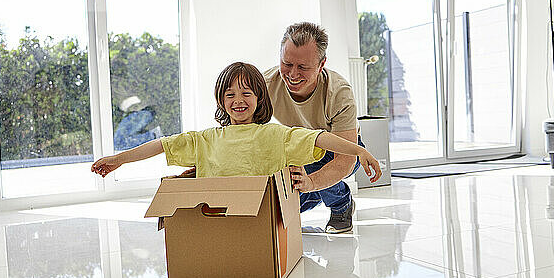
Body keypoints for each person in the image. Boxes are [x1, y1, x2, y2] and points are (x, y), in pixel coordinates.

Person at [91, 62, 381, 188]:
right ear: (221, 101)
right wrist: (119, 159)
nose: (238, 100)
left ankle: (339, 201)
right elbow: (160, 145)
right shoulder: (206, 140)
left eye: (246, 93)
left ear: (259, 98)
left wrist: (360, 151)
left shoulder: (276, 135)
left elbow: (320, 140)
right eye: (229, 94)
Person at [265, 22, 365, 234]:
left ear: (321, 65)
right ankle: (319, 192)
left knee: (310, 162)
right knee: (282, 209)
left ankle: (341, 205)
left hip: (341, 149)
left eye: (303, 67)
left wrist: (311, 182)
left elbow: (346, 160)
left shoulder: (338, 93)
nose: (292, 74)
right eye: (287, 63)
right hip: (298, 146)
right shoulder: (266, 85)